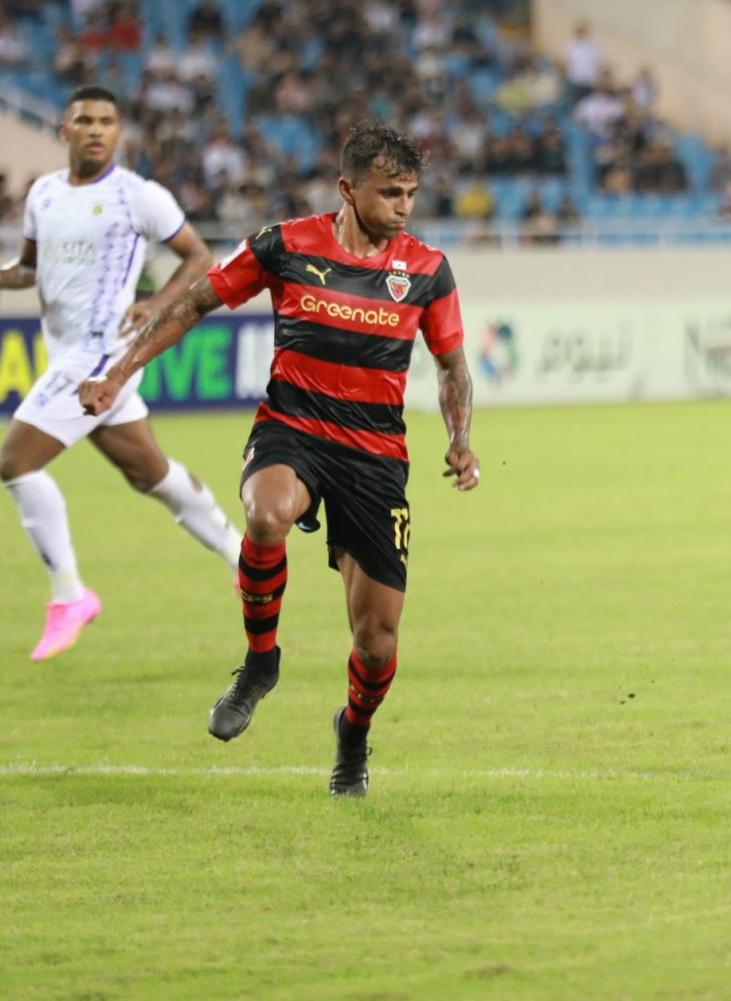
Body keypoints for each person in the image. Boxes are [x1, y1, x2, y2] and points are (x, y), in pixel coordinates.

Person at [78, 124, 480, 797]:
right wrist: (118, 375)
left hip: (375, 457)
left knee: (377, 642)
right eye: (390, 193)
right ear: (348, 190)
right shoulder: (284, 244)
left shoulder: (428, 270)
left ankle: (352, 732)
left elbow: (452, 368)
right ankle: (260, 664)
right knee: (265, 515)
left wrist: (460, 437)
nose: (405, 206)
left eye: (412, 193)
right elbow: (192, 305)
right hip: (291, 428)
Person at [0, 86, 245, 661]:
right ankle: (243, 555)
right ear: (64, 130)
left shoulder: (139, 196)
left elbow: (199, 257)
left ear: (119, 132)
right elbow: (31, 269)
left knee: (15, 462)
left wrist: (157, 304)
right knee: (148, 472)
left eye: (107, 121)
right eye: (85, 120)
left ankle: (69, 596)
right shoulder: (43, 194)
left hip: (106, 352)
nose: (96, 129)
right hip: (66, 352)